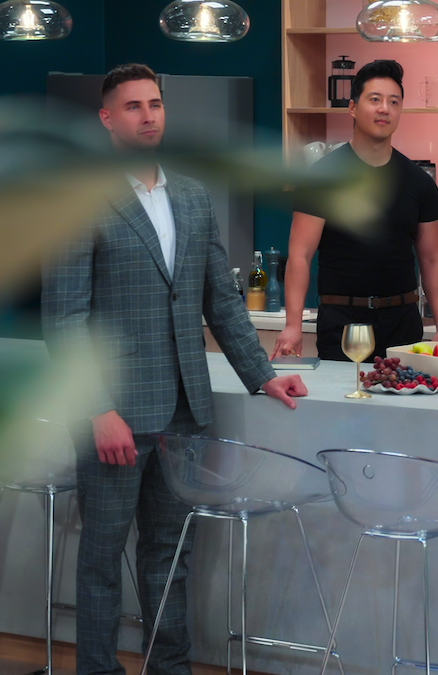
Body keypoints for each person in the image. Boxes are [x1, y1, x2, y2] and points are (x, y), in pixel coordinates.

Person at [40, 63, 307, 675]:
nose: (148, 115)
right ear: (107, 119)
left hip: (185, 407)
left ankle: (171, 669)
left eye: (155, 104)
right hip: (115, 411)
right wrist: (96, 410)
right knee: (104, 557)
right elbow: (65, 319)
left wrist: (262, 374)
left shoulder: (191, 194)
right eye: (133, 106)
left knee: (171, 554)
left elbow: (221, 299)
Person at [274, 59, 438, 362]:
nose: (385, 109)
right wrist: (293, 326)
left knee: (408, 407)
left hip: (404, 324)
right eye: (375, 100)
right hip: (342, 321)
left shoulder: (420, 183)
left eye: (393, 102)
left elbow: (432, 258)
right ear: (353, 108)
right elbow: (300, 255)